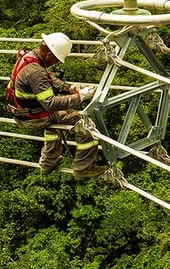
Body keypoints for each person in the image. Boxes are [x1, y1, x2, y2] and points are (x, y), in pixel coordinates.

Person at [6, 32, 108, 180]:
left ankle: (49, 161)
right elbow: (51, 103)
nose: (55, 63)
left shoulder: (30, 58)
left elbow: (48, 79)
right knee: (85, 122)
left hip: (23, 111)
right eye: (56, 60)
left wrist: (70, 88)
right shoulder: (35, 71)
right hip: (32, 117)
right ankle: (83, 168)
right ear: (48, 54)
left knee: (57, 118)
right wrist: (80, 96)